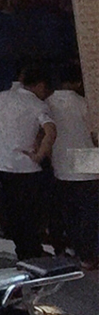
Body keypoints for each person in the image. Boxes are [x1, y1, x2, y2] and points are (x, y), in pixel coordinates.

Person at [0, 63, 56, 259]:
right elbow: (51, 131)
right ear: (40, 85)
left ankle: (23, 253)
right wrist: (40, 155)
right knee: (32, 216)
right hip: (28, 168)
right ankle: (34, 253)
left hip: (4, 166)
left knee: (14, 214)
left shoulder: (0, 98)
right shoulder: (37, 105)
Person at [46, 73, 99, 268]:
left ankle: (76, 250)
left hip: (61, 161)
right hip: (88, 160)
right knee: (90, 212)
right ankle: (90, 254)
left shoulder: (47, 103)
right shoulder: (85, 104)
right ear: (78, 82)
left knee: (70, 212)